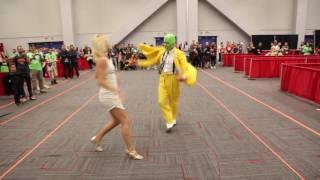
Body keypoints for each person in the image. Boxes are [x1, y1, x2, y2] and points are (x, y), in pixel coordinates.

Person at [90, 34, 143, 160]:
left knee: (116, 121)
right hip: (109, 95)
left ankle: (97, 138)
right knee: (125, 121)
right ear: (103, 44)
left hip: (111, 94)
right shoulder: (102, 60)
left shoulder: (105, 58)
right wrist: (117, 90)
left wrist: (115, 79)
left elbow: (107, 76)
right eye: (107, 41)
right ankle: (130, 149)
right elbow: (99, 80)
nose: (110, 42)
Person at [138, 33, 196, 132]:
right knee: (161, 101)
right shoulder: (162, 51)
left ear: (172, 43)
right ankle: (169, 121)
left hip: (173, 79)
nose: (164, 45)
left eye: (166, 43)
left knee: (173, 101)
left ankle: (173, 118)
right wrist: (144, 60)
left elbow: (185, 67)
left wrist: (184, 76)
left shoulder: (179, 54)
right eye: (164, 43)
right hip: (162, 78)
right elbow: (153, 54)